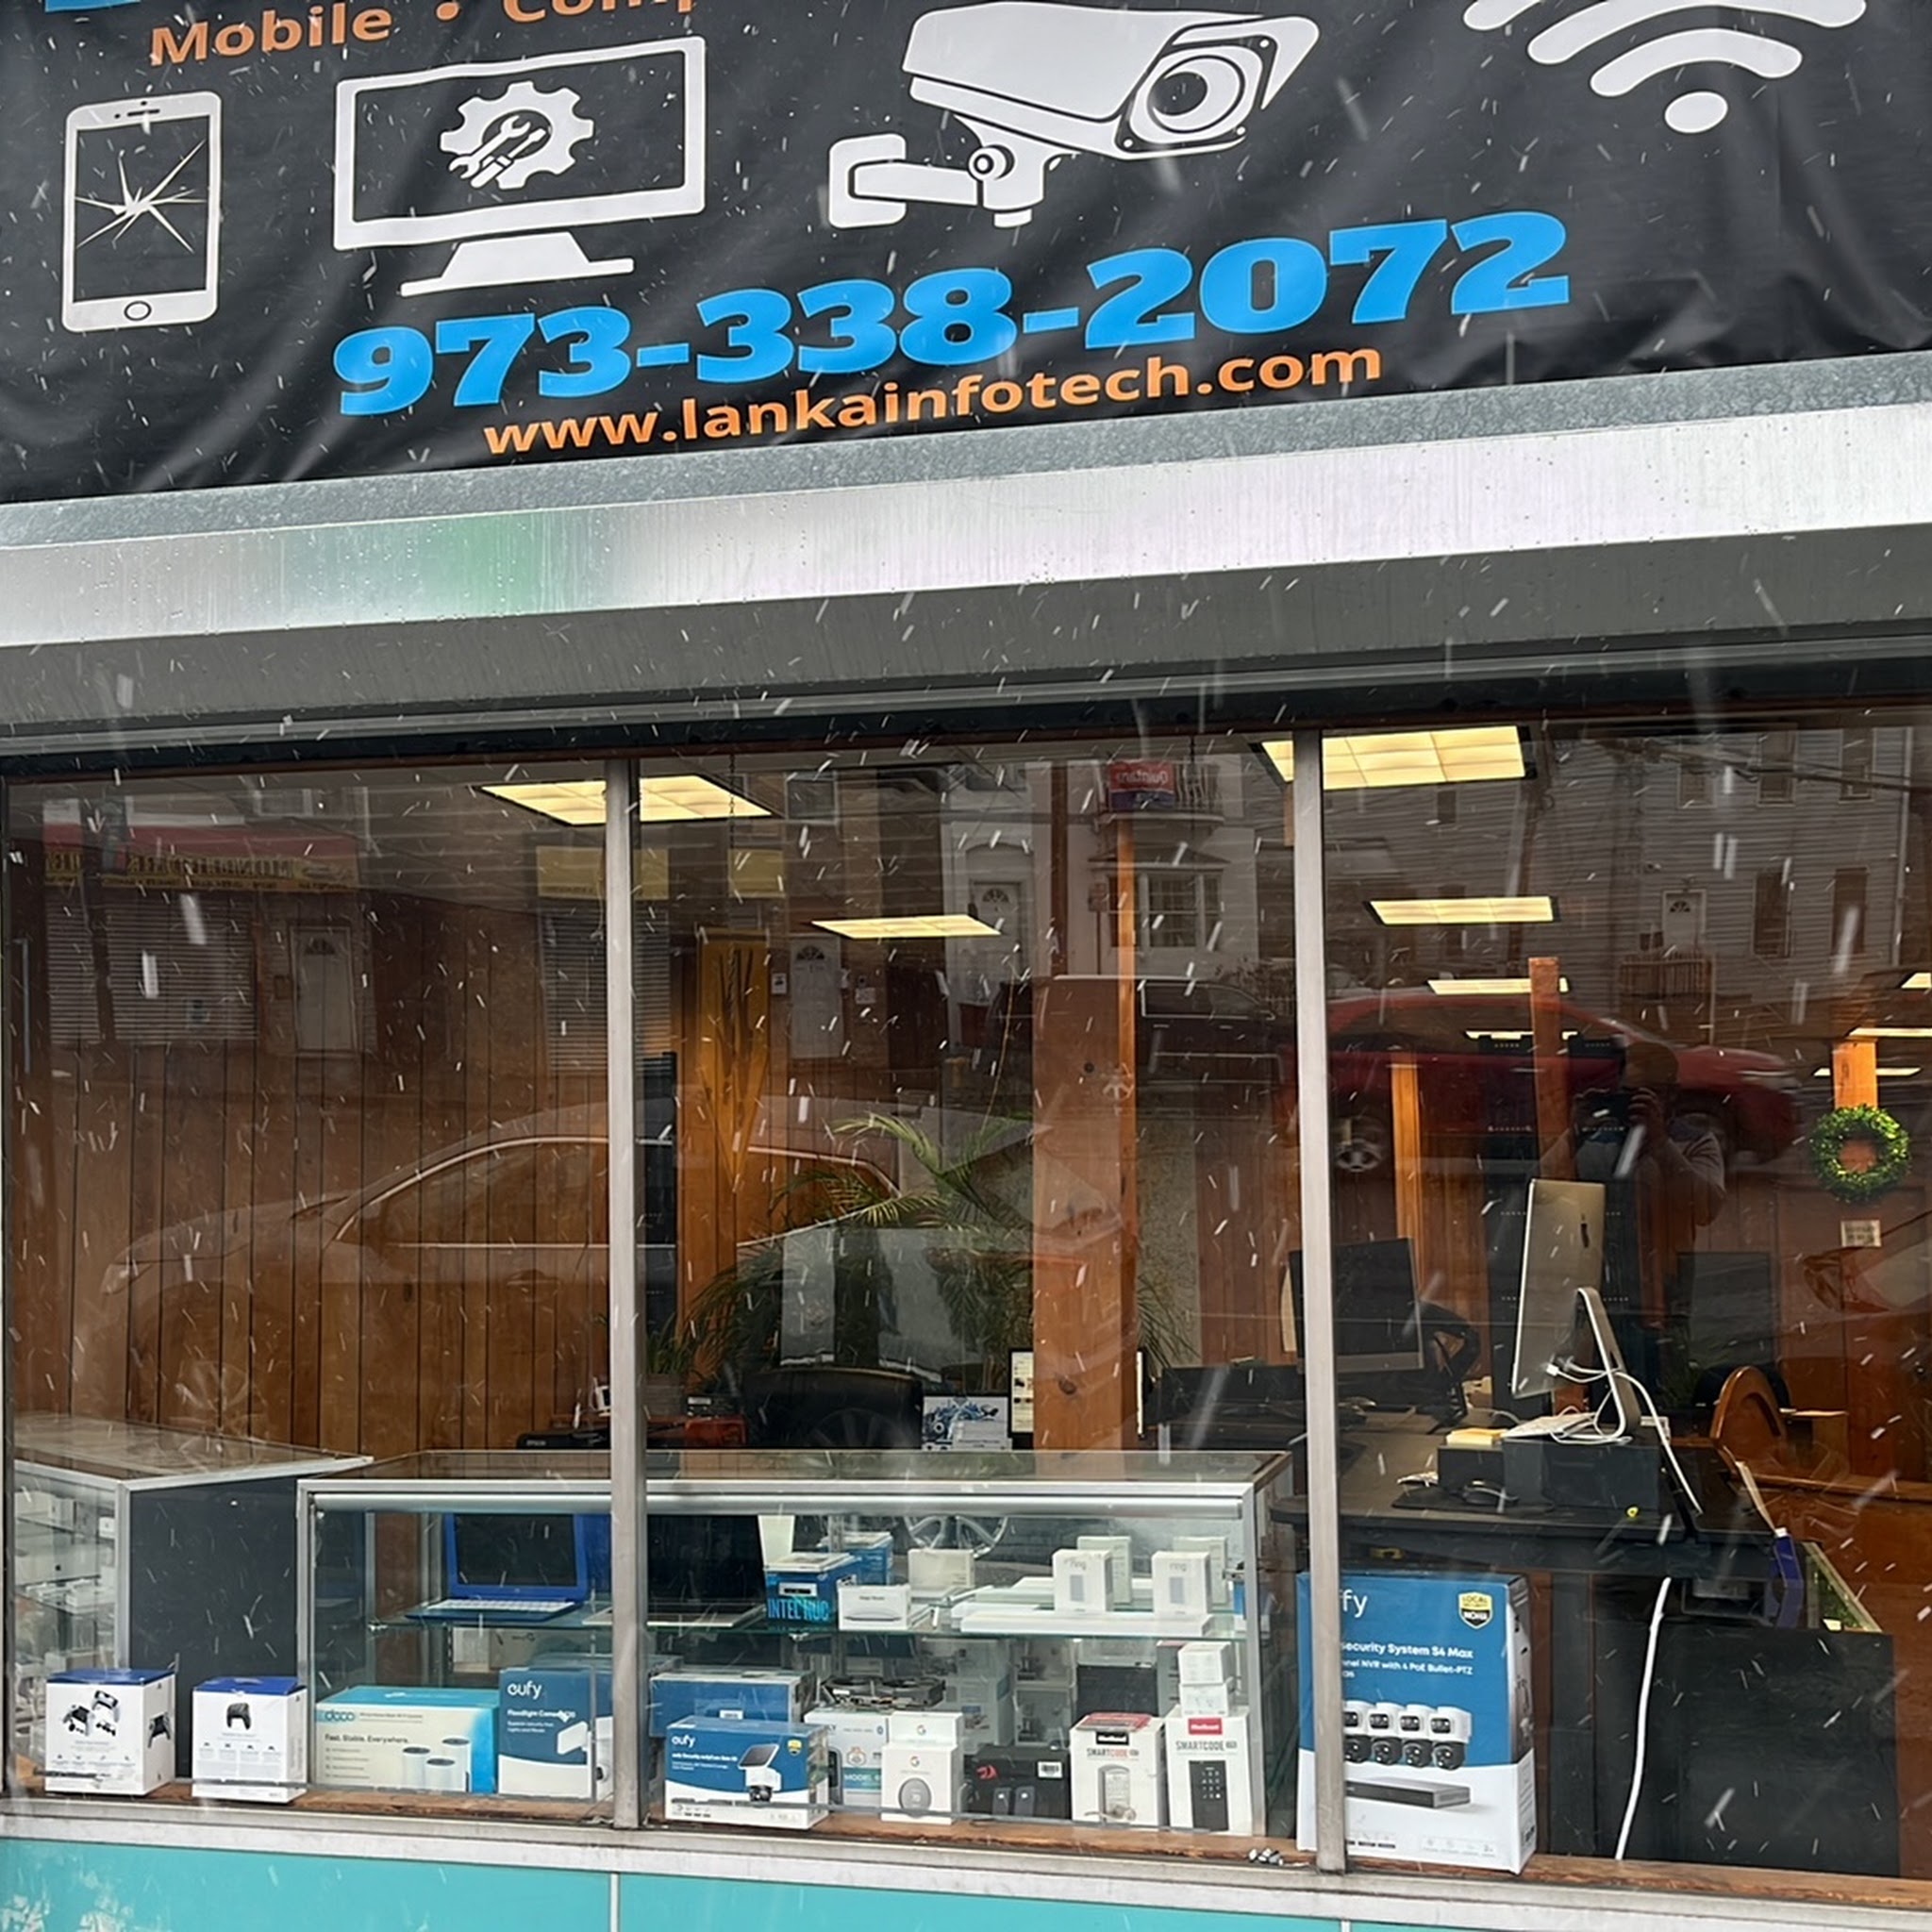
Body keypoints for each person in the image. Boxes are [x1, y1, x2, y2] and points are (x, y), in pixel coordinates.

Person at [1568, 1037, 1724, 1343]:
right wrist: (1573, 1134)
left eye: (1646, 1093)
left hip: (1665, 1296)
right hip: (1598, 1289)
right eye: (1627, 1093)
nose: (1633, 1102)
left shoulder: (1693, 1141)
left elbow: (1707, 1209)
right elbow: (1541, 1190)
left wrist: (1661, 1143)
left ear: (1671, 1095)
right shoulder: (1598, 1139)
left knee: (1667, 1367)